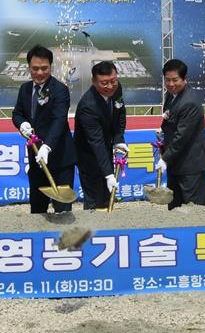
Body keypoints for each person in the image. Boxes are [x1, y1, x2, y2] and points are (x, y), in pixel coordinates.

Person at [11, 45, 76, 214]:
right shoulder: (25, 89)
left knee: (62, 211)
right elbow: (17, 113)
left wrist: (47, 146)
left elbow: (59, 120)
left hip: (60, 159)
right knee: (38, 209)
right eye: (35, 68)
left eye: (44, 68)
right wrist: (21, 124)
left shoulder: (59, 90)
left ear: (51, 67)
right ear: (29, 68)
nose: (40, 73)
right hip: (36, 159)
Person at [73, 61, 128, 210]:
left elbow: (120, 113)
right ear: (94, 82)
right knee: (95, 197)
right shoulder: (88, 106)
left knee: (108, 195)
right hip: (88, 155)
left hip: (106, 147)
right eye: (104, 83)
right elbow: (96, 142)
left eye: (113, 81)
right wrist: (109, 175)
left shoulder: (116, 89)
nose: (110, 86)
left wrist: (118, 139)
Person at [158, 58, 205, 208]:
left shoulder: (189, 102)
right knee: (174, 207)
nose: (171, 84)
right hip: (176, 163)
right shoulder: (171, 95)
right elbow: (171, 121)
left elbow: (182, 137)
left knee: (191, 209)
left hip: (190, 165)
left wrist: (165, 159)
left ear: (184, 79)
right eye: (167, 80)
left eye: (175, 80)